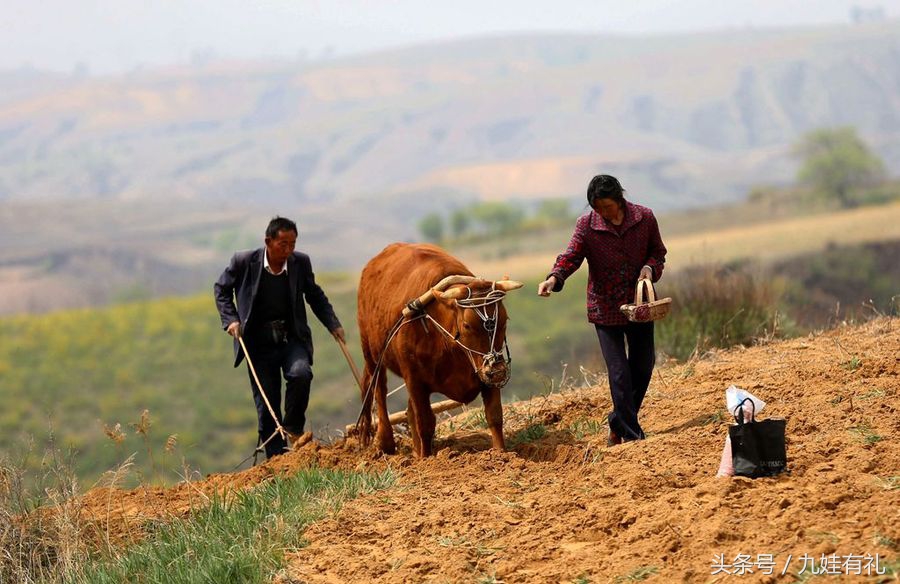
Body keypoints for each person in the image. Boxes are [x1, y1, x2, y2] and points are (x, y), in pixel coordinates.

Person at [537, 175, 667, 445]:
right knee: (619, 371)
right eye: (597, 208)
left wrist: (649, 268)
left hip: (638, 305)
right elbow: (571, 256)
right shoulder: (587, 225)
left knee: (643, 366)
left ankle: (617, 421)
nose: (603, 213)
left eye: (607, 207)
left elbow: (658, 252)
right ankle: (632, 437)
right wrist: (553, 278)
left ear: (619, 199)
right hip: (604, 306)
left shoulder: (645, 217)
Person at [214, 216, 345, 458]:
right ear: (268, 241)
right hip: (256, 343)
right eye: (283, 244)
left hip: (290, 338)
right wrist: (231, 319)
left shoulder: (300, 263)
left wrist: (333, 324)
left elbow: (314, 295)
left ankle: (293, 427)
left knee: (301, 374)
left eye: (292, 244)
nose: (288, 250)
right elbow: (221, 289)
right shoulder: (243, 261)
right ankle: (277, 459)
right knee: (267, 406)